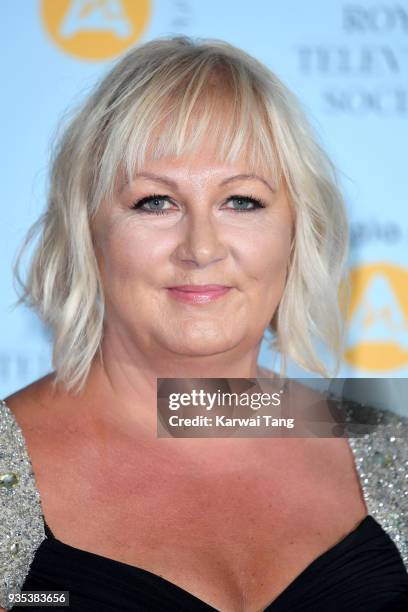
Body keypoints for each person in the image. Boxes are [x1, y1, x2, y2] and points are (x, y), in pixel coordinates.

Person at [1, 35, 407, 612]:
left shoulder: (392, 453)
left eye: (241, 201)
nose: (201, 247)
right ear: (88, 232)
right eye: (155, 202)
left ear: (298, 232)